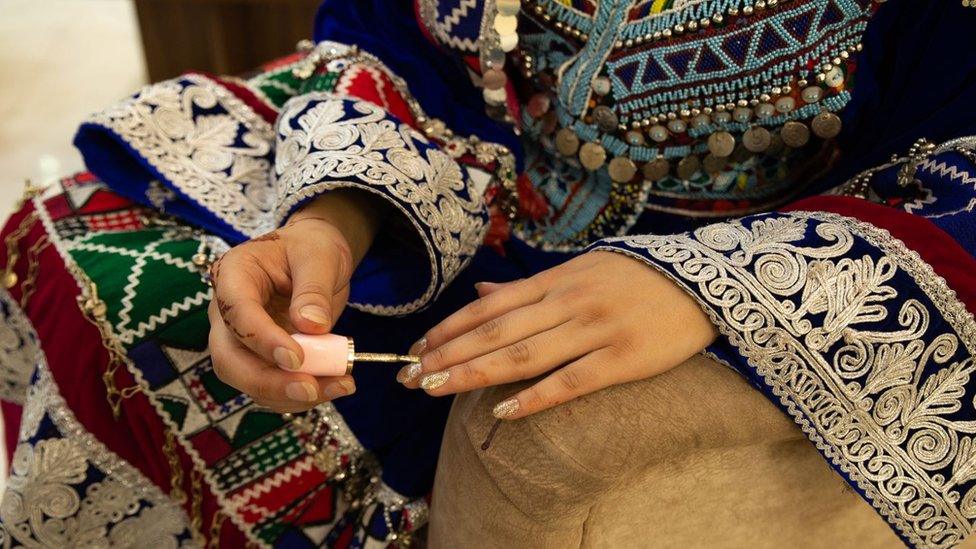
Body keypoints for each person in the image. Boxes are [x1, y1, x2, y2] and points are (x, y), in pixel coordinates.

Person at [0, 0, 974, 546]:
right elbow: (386, 31)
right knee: (82, 253)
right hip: (454, 197)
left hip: (761, 260)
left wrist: (703, 286)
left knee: (515, 418)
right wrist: (329, 223)